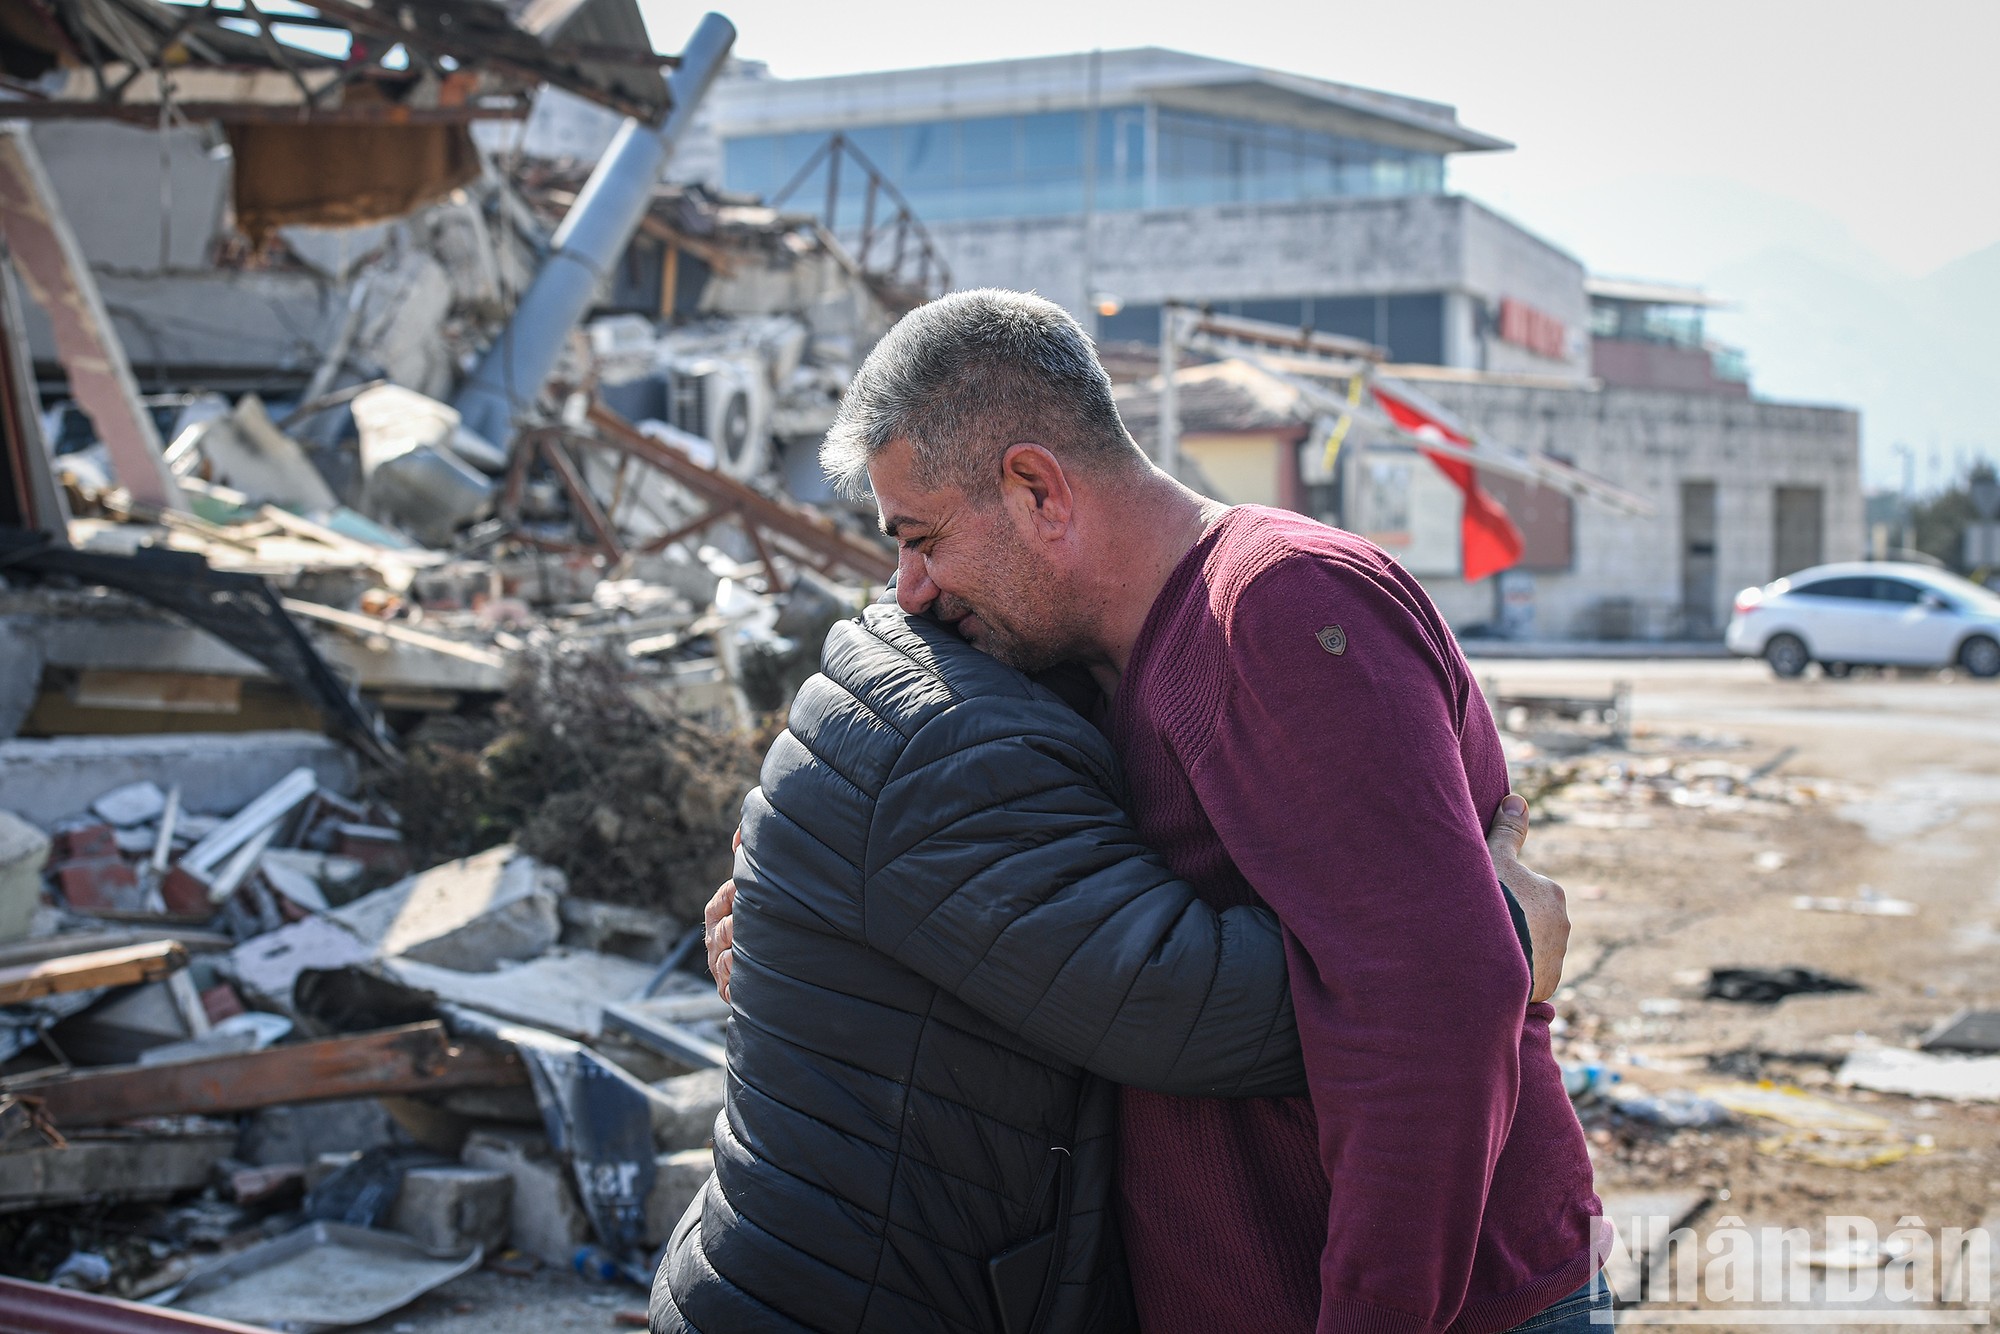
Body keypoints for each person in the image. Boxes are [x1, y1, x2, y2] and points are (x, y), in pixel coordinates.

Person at [699, 289, 1602, 1334]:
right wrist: (806, 935)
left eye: (921, 538)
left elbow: (1430, 1005)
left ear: (1037, 488)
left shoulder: (1279, 605)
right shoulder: (1082, 664)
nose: (907, 589)